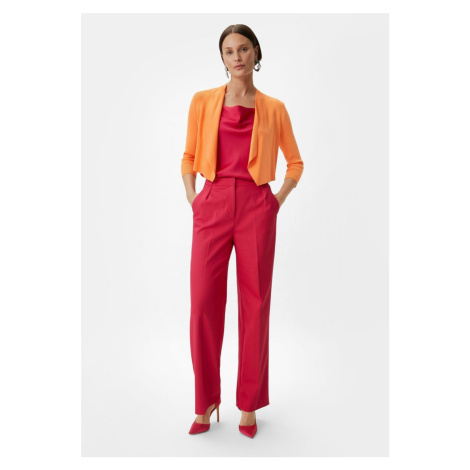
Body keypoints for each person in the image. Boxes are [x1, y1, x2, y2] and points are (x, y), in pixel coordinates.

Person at [181, 24, 304, 438]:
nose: (237, 57)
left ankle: (248, 404)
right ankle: (206, 401)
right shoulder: (202, 101)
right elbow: (188, 156)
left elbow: (295, 162)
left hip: (256, 206)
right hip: (212, 203)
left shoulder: (274, 108)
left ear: (256, 53)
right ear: (222, 58)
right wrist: (194, 197)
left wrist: (274, 201)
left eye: (244, 49)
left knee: (255, 307)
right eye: (229, 51)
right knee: (203, 305)